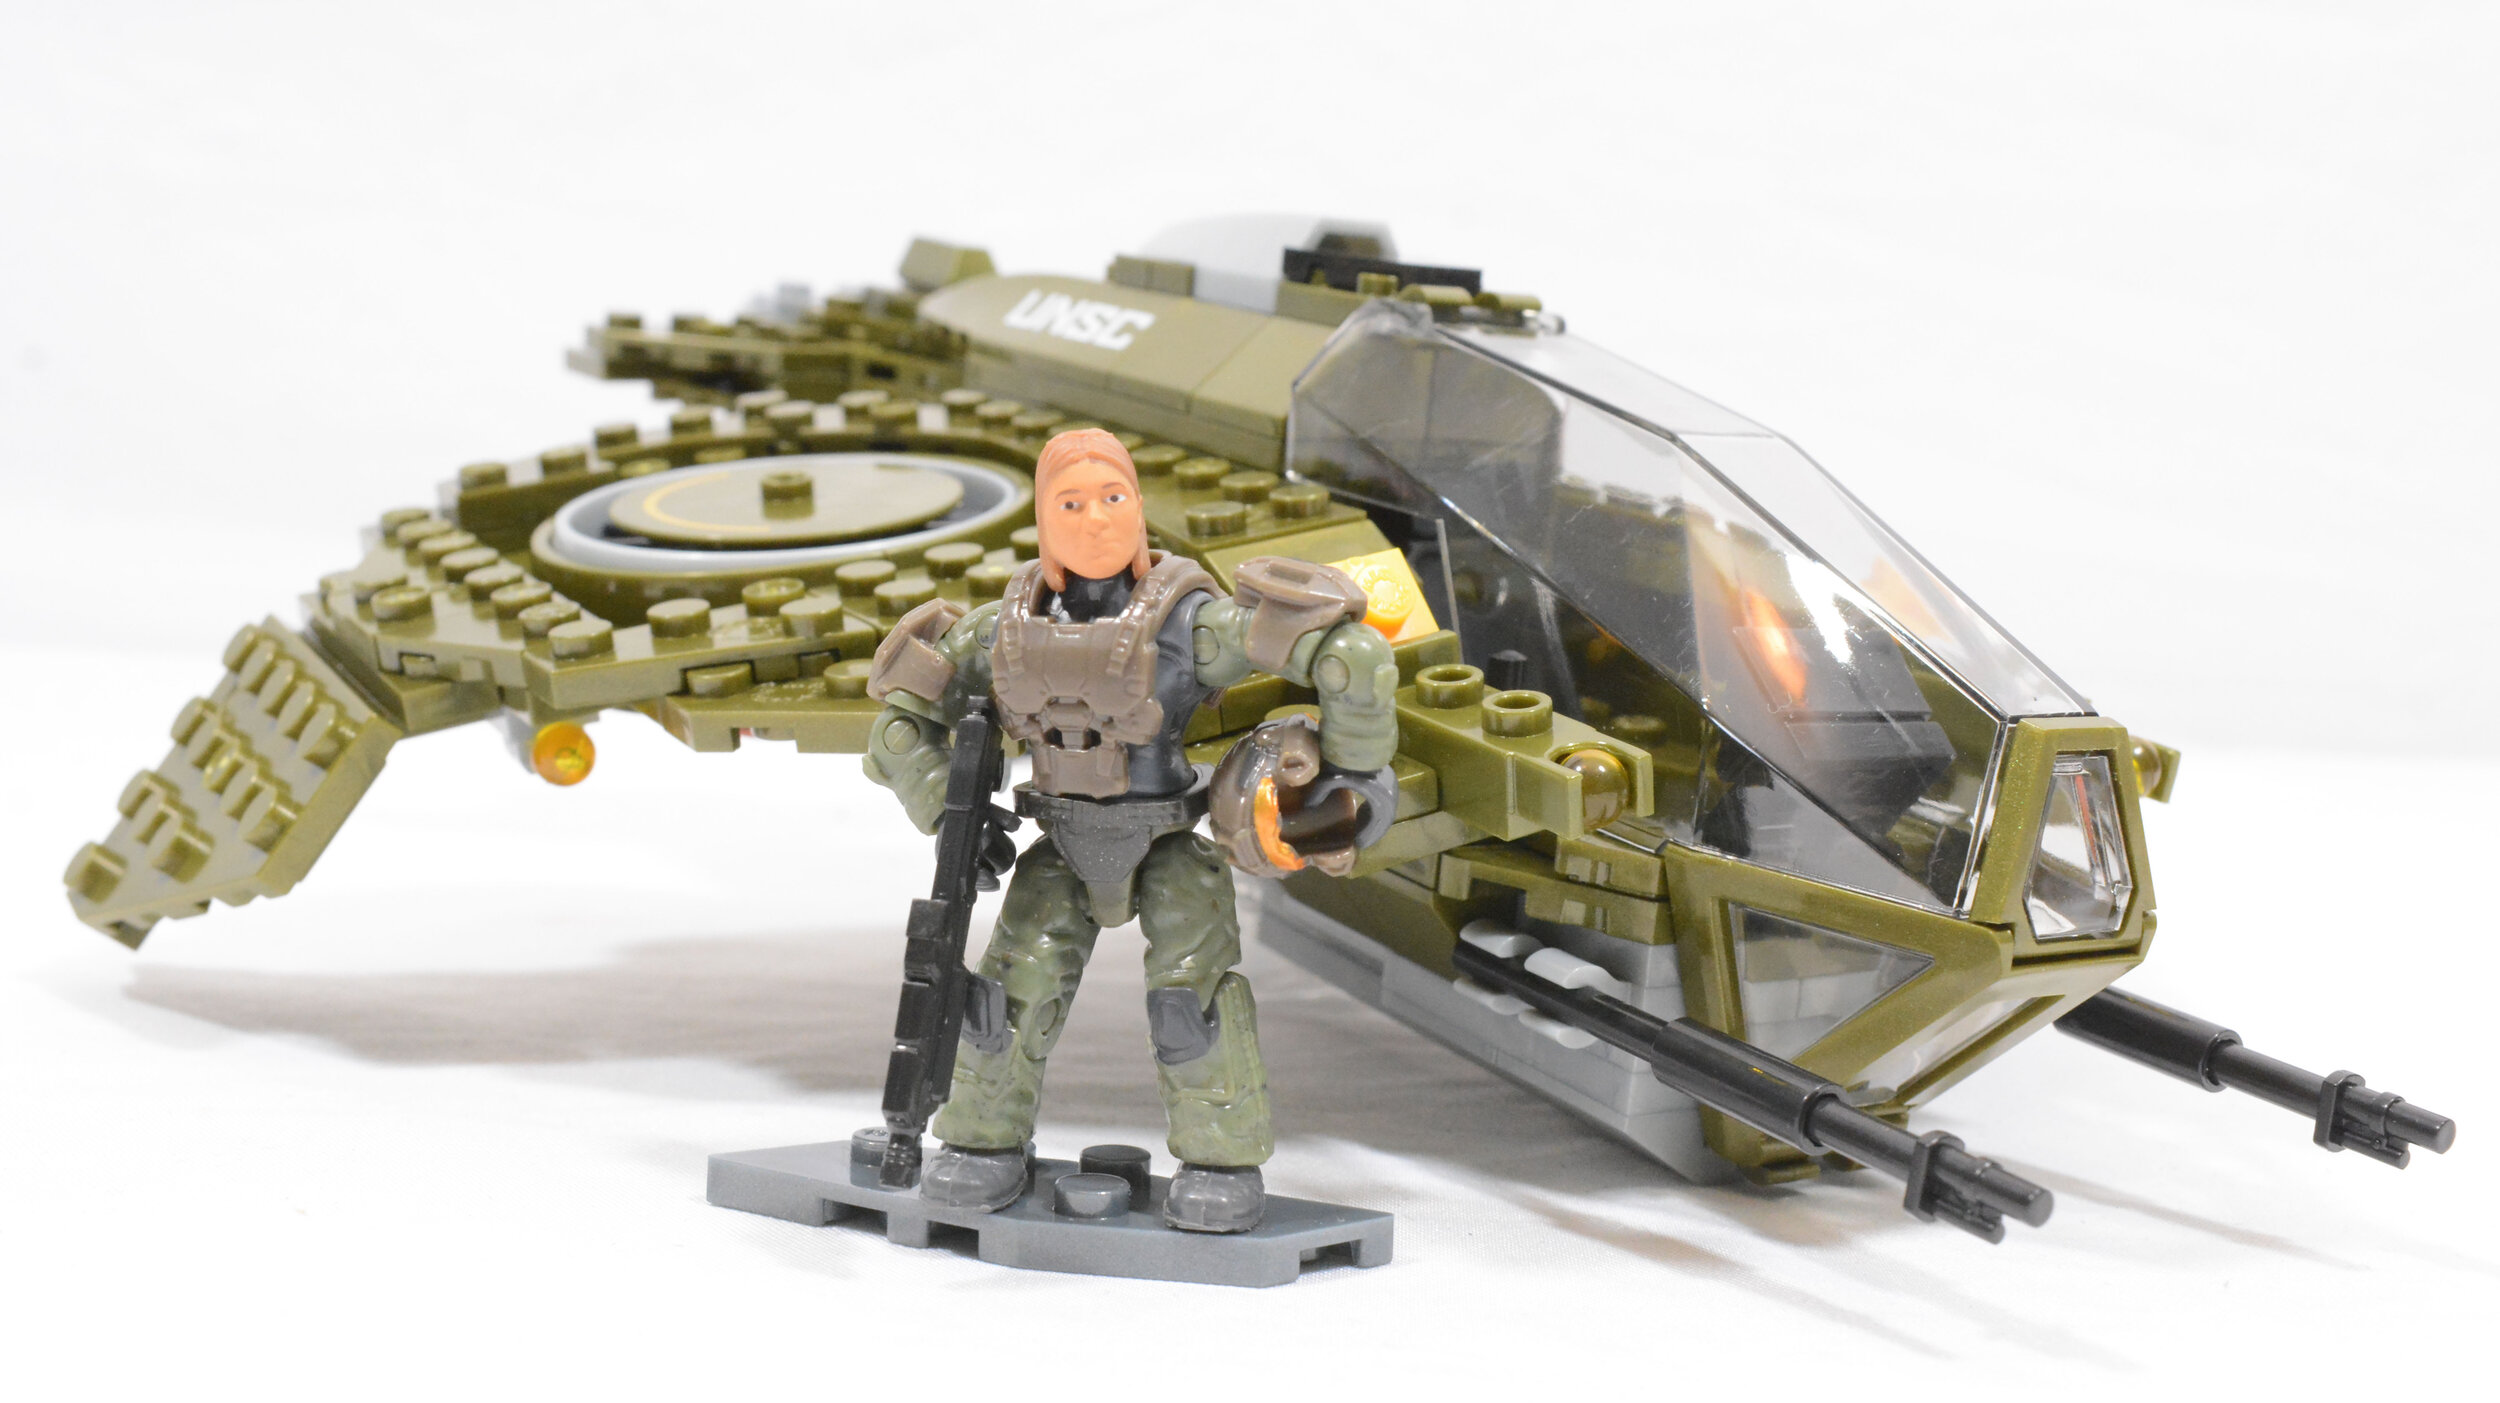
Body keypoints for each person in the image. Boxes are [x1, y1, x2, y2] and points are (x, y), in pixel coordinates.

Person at [863, 428, 1398, 1232]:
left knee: (1190, 1005)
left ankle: (1221, 1159)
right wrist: (949, 811)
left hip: (1167, 843)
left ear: (1139, 509)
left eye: (1114, 498)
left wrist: (1347, 776)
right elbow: (899, 727)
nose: (1097, 519)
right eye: (1072, 503)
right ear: (1044, 520)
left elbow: (1348, 655)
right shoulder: (1000, 630)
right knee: (1002, 1001)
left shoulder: (1186, 625)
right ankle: (980, 1141)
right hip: (1059, 845)